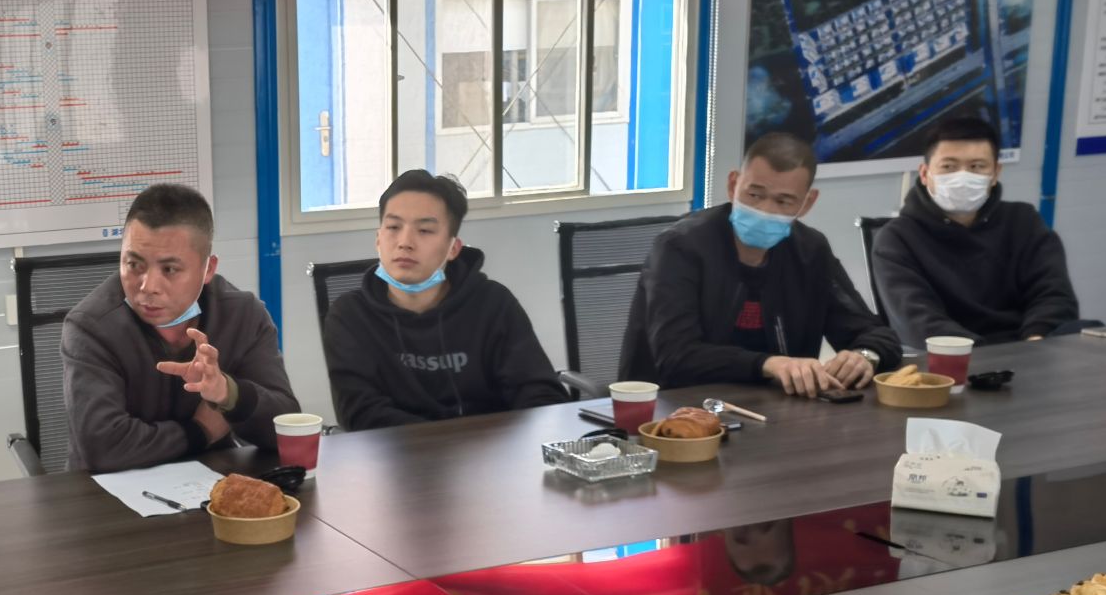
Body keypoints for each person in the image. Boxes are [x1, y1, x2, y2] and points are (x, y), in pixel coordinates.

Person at [620, 133, 901, 397]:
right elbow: (675, 357)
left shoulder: (809, 251)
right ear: (733, 185)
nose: (766, 209)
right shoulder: (681, 247)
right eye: (754, 195)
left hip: (780, 407)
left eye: (784, 201)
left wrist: (866, 355)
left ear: (807, 203)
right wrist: (768, 364)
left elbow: (874, 332)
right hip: (676, 408)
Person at [62, 184, 298, 472]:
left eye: (170, 269)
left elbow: (286, 429)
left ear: (208, 269)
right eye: (134, 264)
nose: (148, 286)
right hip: (104, 494)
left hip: (211, 486)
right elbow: (102, 448)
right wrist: (200, 431)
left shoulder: (242, 315)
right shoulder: (91, 326)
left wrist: (229, 394)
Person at [324, 170, 567, 430]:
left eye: (425, 230)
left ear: (453, 248)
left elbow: (541, 396)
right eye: (393, 227)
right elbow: (361, 414)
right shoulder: (351, 316)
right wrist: (451, 442)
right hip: (395, 452)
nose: (405, 242)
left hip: (493, 450)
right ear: (378, 239)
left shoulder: (493, 304)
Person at [872, 116, 1082, 346]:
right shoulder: (896, 239)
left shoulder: (1024, 221)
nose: (963, 176)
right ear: (924, 174)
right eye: (948, 166)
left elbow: (1054, 295)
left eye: (977, 166)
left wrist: (1036, 340)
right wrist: (989, 358)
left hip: (1029, 348)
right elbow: (918, 322)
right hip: (951, 359)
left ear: (995, 174)